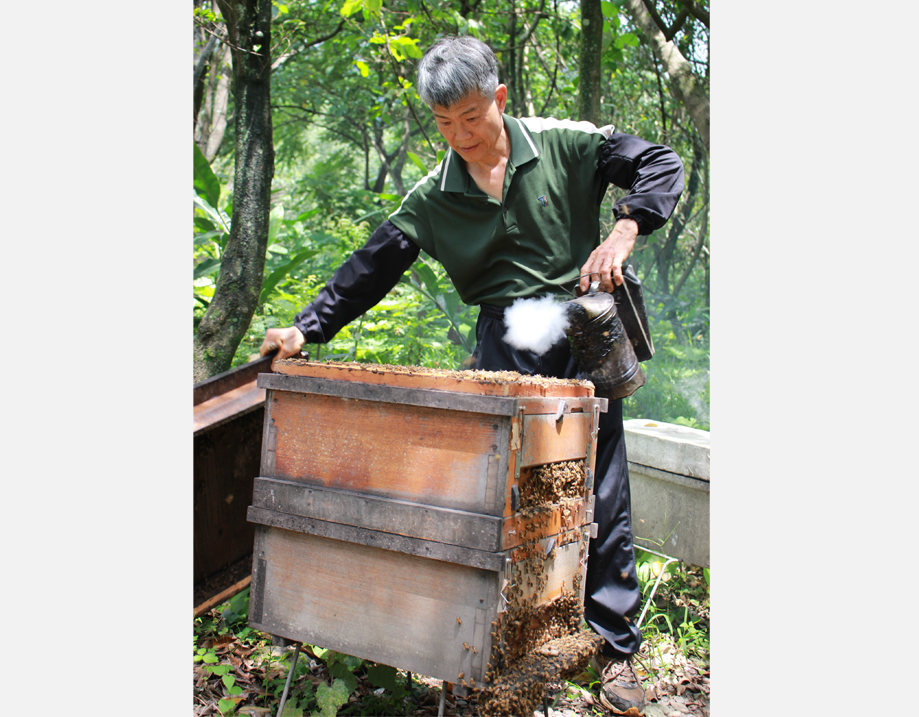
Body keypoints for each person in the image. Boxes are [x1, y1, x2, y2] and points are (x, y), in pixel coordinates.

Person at [260, 35, 684, 715]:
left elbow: (661, 163)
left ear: (499, 97)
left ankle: (615, 650)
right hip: (507, 344)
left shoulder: (568, 142)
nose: (460, 135)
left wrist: (623, 231)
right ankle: (510, 642)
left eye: (470, 116)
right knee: (504, 499)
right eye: (443, 122)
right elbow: (370, 268)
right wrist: (305, 328)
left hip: (585, 328)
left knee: (602, 487)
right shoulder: (434, 196)